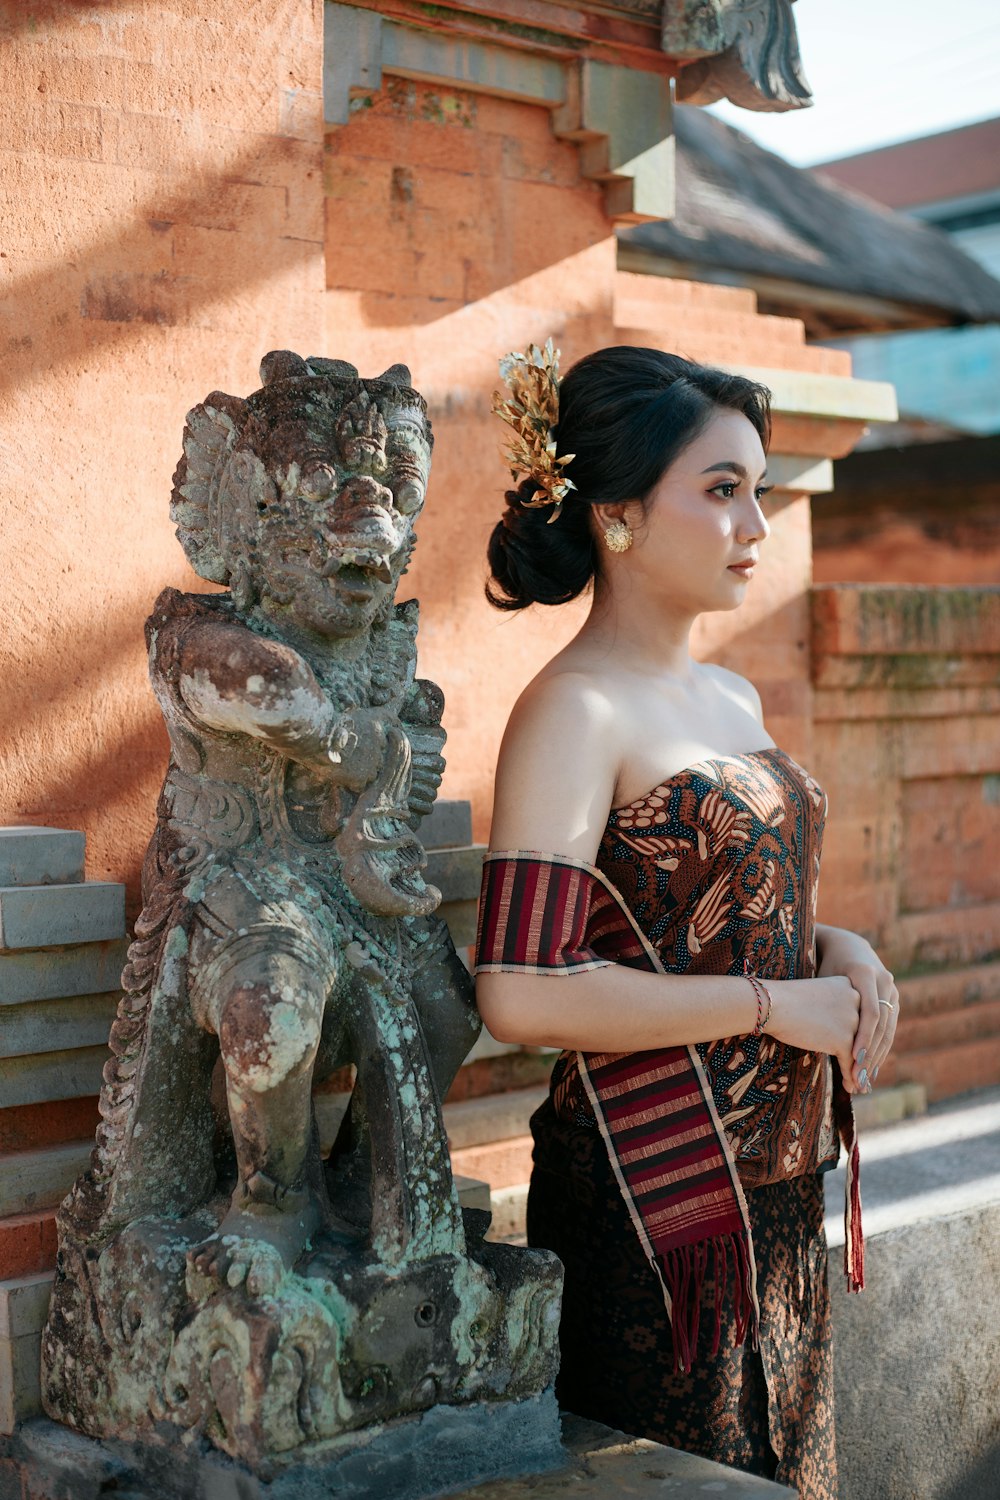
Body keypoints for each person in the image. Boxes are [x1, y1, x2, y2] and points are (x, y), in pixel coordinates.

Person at [473, 343, 900, 1500]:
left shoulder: (731, 696)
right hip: (655, 1201)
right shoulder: (572, 711)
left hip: (774, 1195)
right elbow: (519, 985)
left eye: (756, 488)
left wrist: (835, 949)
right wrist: (776, 1007)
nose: (753, 523)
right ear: (614, 513)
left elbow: (725, 912)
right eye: (721, 490)